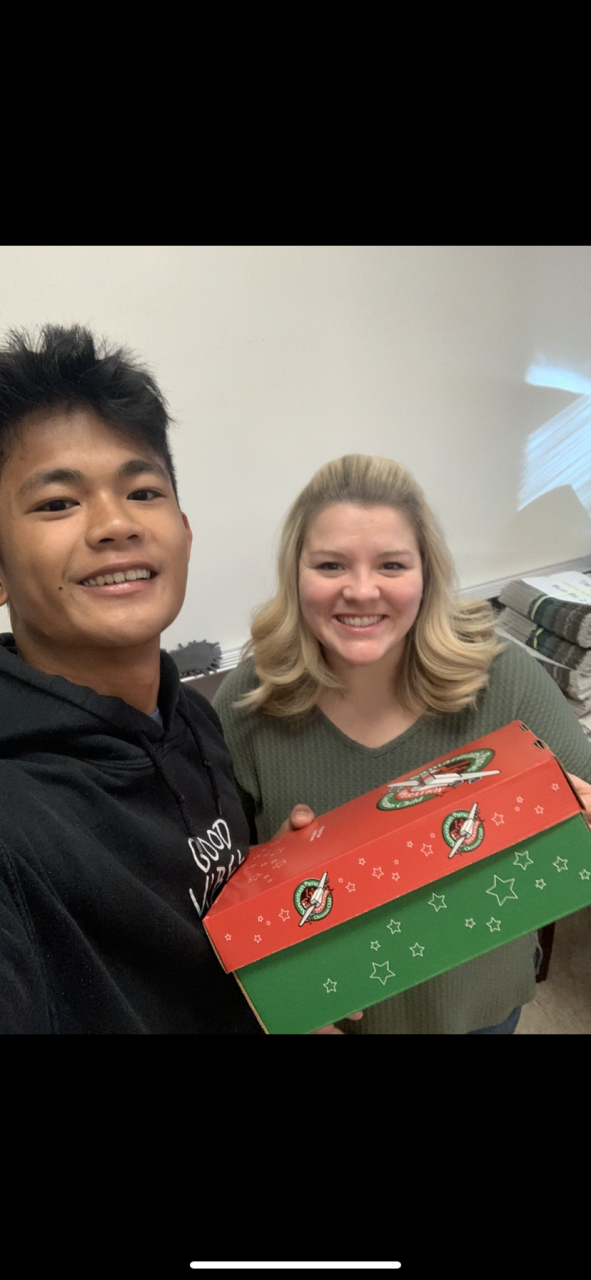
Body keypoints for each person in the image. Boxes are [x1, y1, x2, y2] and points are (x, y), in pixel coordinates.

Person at [214, 454, 591, 1034]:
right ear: (296, 574)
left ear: (426, 574)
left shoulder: (502, 678)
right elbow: (207, 887)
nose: (362, 590)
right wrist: (270, 880)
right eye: (331, 564)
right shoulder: (248, 702)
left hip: (480, 1010)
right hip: (327, 1017)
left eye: (391, 564)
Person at [0, 323, 266, 1034]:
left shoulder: (193, 716)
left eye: (143, 491)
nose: (115, 524)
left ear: (184, 531)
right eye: (58, 503)